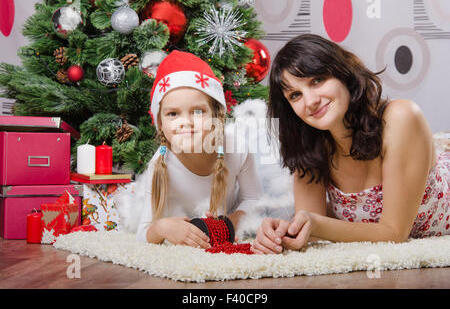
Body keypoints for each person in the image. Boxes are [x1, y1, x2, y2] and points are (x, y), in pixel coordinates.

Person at [251, 34, 450, 254]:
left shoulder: (401, 117)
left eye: (317, 80)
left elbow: (394, 233)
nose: (311, 101)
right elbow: (312, 231)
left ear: (343, 73)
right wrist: (284, 232)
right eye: (296, 95)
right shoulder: (309, 146)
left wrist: (316, 224)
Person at [136, 50, 263, 247]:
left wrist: (231, 221)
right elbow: (142, 233)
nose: (186, 122)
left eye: (198, 111)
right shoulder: (160, 164)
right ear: (160, 123)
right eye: (172, 114)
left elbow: (254, 198)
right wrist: (162, 228)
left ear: (216, 115)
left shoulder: (236, 148)